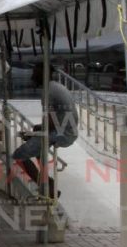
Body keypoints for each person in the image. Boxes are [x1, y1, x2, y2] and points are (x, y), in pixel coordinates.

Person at [13, 62, 78, 199]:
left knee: (19, 155)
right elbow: (52, 120)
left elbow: (51, 123)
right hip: (67, 131)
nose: (32, 76)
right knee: (38, 144)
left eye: (35, 73)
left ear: (42, 74)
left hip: (62, 134)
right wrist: (37, 130)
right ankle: (48, 184)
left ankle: (48, 186)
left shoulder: (48, 91)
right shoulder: (55, 87)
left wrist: (32, 133)